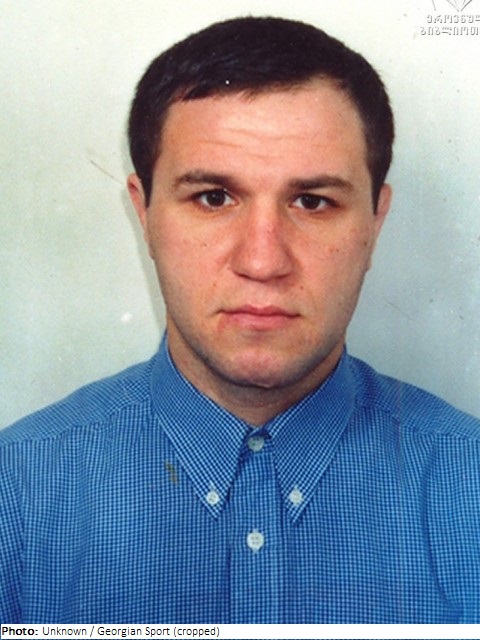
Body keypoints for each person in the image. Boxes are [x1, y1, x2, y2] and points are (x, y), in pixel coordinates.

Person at [1, 16, 479, 625]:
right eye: (213, 198)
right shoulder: (15, 493)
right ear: (144, 214)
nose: (262, 261)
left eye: (313, 201)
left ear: (374, 223)